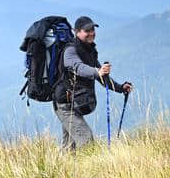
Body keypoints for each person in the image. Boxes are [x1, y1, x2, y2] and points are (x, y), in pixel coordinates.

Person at [53, 16, 132, 150]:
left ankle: (63, 170)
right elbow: (78, 67)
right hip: (65, 105)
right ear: (77, 31)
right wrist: (97, 71)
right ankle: (92, 169)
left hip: (73, 104)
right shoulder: (70, 50)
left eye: (92, 29)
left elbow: (101, 77)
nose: (91, 33)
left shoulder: (89, 50)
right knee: (86, 140)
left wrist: (120, 88)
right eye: (87, 30)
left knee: (69, 146)